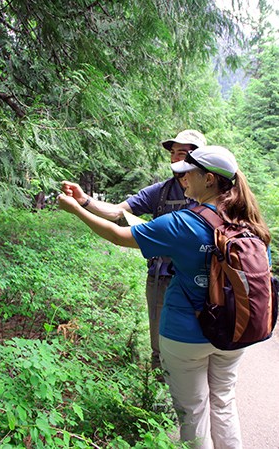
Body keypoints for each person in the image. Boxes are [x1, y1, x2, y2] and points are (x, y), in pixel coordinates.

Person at [58, 145, 271, 448]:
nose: (184, 180)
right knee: (224, 403)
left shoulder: (184, 222)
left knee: (192, 412)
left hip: (185, 336)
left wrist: (76, 210)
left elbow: (118, 235)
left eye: (189, 174)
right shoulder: (250, 223)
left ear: (209, 179)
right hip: (234, 334)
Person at [61, 129, 207, 371]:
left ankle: (194, 392)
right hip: (162, 277)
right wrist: (83, 199)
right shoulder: (160, 191)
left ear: (198, 157)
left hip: (202, 279)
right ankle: (161, 393)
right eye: (173, 153)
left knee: (201, 339)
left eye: (182, 152)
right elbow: (119, 212)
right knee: (161, 341)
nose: (175, 158)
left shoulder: (212, 191)